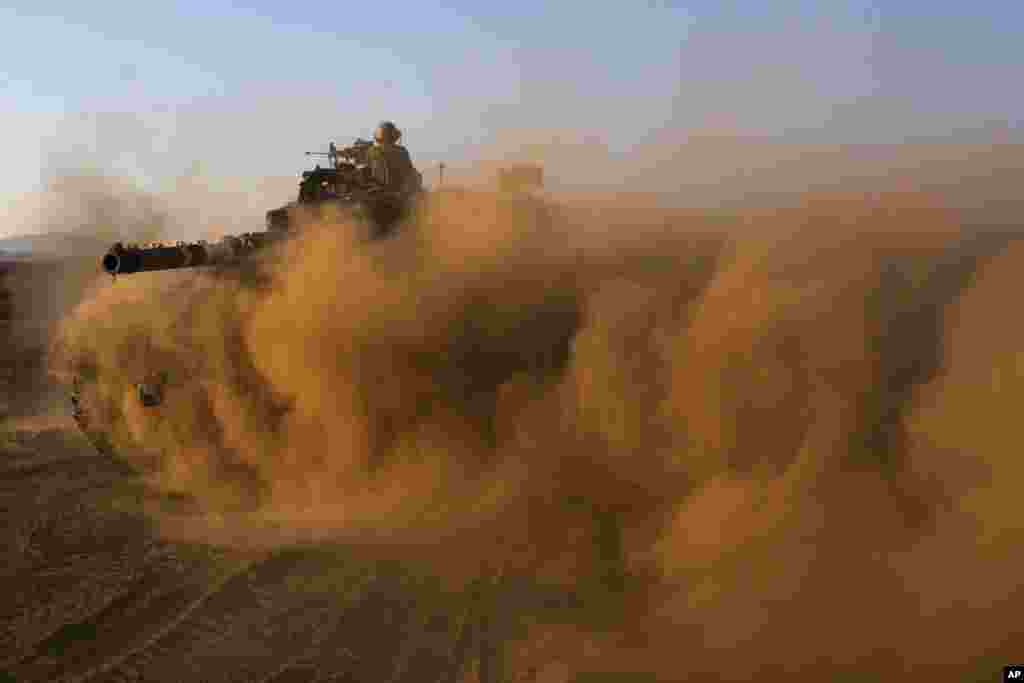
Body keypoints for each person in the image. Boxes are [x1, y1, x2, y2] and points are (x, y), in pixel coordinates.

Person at [366, 121, 422, 196]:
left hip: (378, 193)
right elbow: (410, 171)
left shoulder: (371, 151)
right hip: (398, 193)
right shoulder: (402, 151)